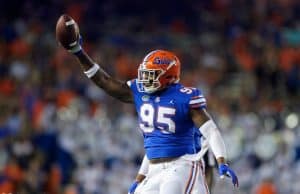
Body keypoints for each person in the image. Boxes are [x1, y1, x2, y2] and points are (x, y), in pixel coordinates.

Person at [57, 21, 238, 194]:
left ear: (168, 76)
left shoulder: (185, 97)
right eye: (145, 74)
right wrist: (78, 52)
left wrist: (222, 161)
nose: (145, 79)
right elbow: (105, 82)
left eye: (151, 75)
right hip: (154, 168)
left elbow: (211, 130)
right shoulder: (140, 91)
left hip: (182, 165)